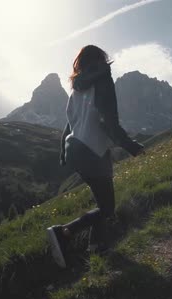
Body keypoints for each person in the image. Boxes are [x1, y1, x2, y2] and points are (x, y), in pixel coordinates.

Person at [47, 45, 145, 268]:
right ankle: (64, 232)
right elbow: (108, 121)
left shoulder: (76, 89)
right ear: (101, 60)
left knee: (103, 202)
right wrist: (132, 147)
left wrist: (63, 152)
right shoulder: (103, 80)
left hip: (75, 150)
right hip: (93, 151)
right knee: (107, 208)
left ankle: (97, 247)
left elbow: (69, 124)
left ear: (79, 64)